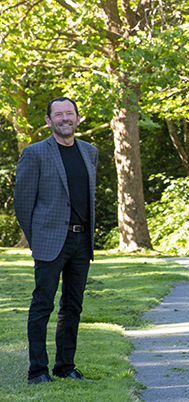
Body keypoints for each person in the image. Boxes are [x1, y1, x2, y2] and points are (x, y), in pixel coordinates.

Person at [14, 97, 98, 384]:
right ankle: (37, 371)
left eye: (70, 113)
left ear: (78, 118)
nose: (65, 118)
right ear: (49, 121)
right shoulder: (35, 153)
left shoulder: (90, 152)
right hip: (50, 241)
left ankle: (66, 367)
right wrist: (38, 239)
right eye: (58, 114)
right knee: (42, 306)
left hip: (82, 241)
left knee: (73, 306)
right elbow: (23, 203)